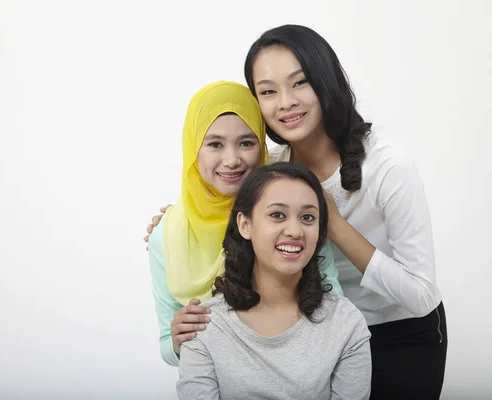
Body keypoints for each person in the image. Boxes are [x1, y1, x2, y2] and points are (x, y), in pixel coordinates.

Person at [147, 25, 447, 399]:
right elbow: (221, 187)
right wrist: (176, 220)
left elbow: (422, 296)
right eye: (268, 91)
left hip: (397, 328)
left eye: (300, 82)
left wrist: (333, 223)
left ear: (326, 81)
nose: (285, 102)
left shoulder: (388, 167)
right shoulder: (271, 167)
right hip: (310, 335)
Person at [148, 81, 343, 367]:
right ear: (193, 148)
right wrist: (178, 341)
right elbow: (168, 346)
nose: (232, 160)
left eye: (247, 143)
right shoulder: (166, 235)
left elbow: (334, 313)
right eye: (214, 144)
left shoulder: (295, 215)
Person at [177, 162, 371, 400]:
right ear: (245, 225)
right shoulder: (203, 324)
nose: (295, 231)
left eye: (308, 217)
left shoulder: (346, 323)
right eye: (277, 215)